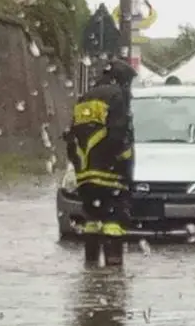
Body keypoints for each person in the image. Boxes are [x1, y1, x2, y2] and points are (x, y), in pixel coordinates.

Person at [63, 57, 137, 263]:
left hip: (86, 175)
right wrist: (124, 166)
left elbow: (72, 138)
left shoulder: (85, 98)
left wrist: (80, 168)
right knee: (114, 222)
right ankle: (114, 271)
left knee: (92, 220)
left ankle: (91, 267)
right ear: (121, 78)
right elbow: (119, 135)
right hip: (110, 173)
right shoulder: (117, 96)